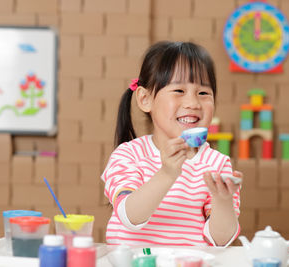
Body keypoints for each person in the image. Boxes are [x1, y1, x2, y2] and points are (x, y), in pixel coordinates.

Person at [101, 41, 243, 247]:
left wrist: (223, 200)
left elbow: (221, 240)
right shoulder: (128, 155)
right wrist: (167, 173)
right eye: (179, 90)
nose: (193, 103)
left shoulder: (217, 164)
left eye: (203, 93)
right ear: (145, 99)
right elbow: (129, 216)